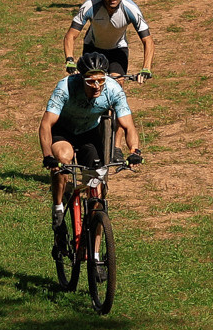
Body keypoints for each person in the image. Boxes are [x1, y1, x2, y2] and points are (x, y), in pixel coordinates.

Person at [40, 49, 143, 234]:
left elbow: (128, 124)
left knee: (98, 183)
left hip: (89, 133)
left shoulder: (113, 90)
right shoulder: (65, 87)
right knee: (64, 158)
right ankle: (58, 208)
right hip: (63, 131)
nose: (96, 86)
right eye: (91, 81)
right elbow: (46, 124)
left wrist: (135, 151)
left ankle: (94, 252)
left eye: (100, 81)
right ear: (81, 78)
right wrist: (48, 155)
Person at [62, 0, 153, 79]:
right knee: (92, 83)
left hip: (118, 50)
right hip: (93, 49)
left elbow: (148, 40)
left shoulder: (131, 9)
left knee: (117, 81)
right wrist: (70, 60)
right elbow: (70, 35)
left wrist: (146, 68)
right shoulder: (90, 6)